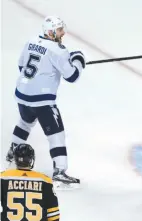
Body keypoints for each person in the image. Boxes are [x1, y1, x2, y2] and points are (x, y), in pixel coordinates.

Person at [5, 16, 85, 186]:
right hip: (42, 101)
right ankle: (60, 172)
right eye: (59, 30)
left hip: (22, 94)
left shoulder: (31, 41)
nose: (62, 32)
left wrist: (44, 71)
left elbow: (22, 66)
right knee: (57, 135)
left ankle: (12, 151)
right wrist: (78, 60)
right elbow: (72, 76)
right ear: (50, 32)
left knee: (25, 122)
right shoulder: (59, 50)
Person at [1, 144, 60, 221]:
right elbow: (53, 214)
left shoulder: (3, 177)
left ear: (15, 159)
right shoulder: (45, 180)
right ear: (31, 159)